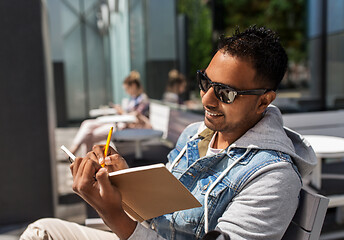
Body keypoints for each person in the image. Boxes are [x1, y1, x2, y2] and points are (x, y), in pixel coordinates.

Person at [20, 26, 317, 240]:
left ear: (264, 101)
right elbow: (161, 213)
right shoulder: (194, 134)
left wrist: (114, 216)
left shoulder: (273, 177)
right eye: (205, 82)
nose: (206, 99)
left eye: (225, 93)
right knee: (42, 230)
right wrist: (124, 185)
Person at [69, 70, 150, 155]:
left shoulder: (142, 99)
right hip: (121, 123)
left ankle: (81, 156)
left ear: (133, 86)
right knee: (87, 124)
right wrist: (121, 111)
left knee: (90, 135)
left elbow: (135, 118)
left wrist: (122, 112)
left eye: (127, 89)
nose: (126, 92)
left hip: (126, 126)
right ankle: (76, 151)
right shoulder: (133, 98)